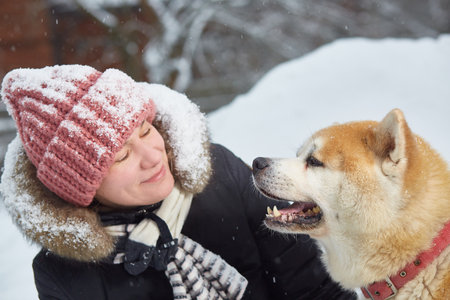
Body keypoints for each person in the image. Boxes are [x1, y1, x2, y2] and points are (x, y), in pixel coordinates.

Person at [0, 65, 355, 300]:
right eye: (122, 156)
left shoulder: (224, 176)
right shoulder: (65, 275)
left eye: (146, 130)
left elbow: (316, 290)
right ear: (79, 189)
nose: (154, 156)